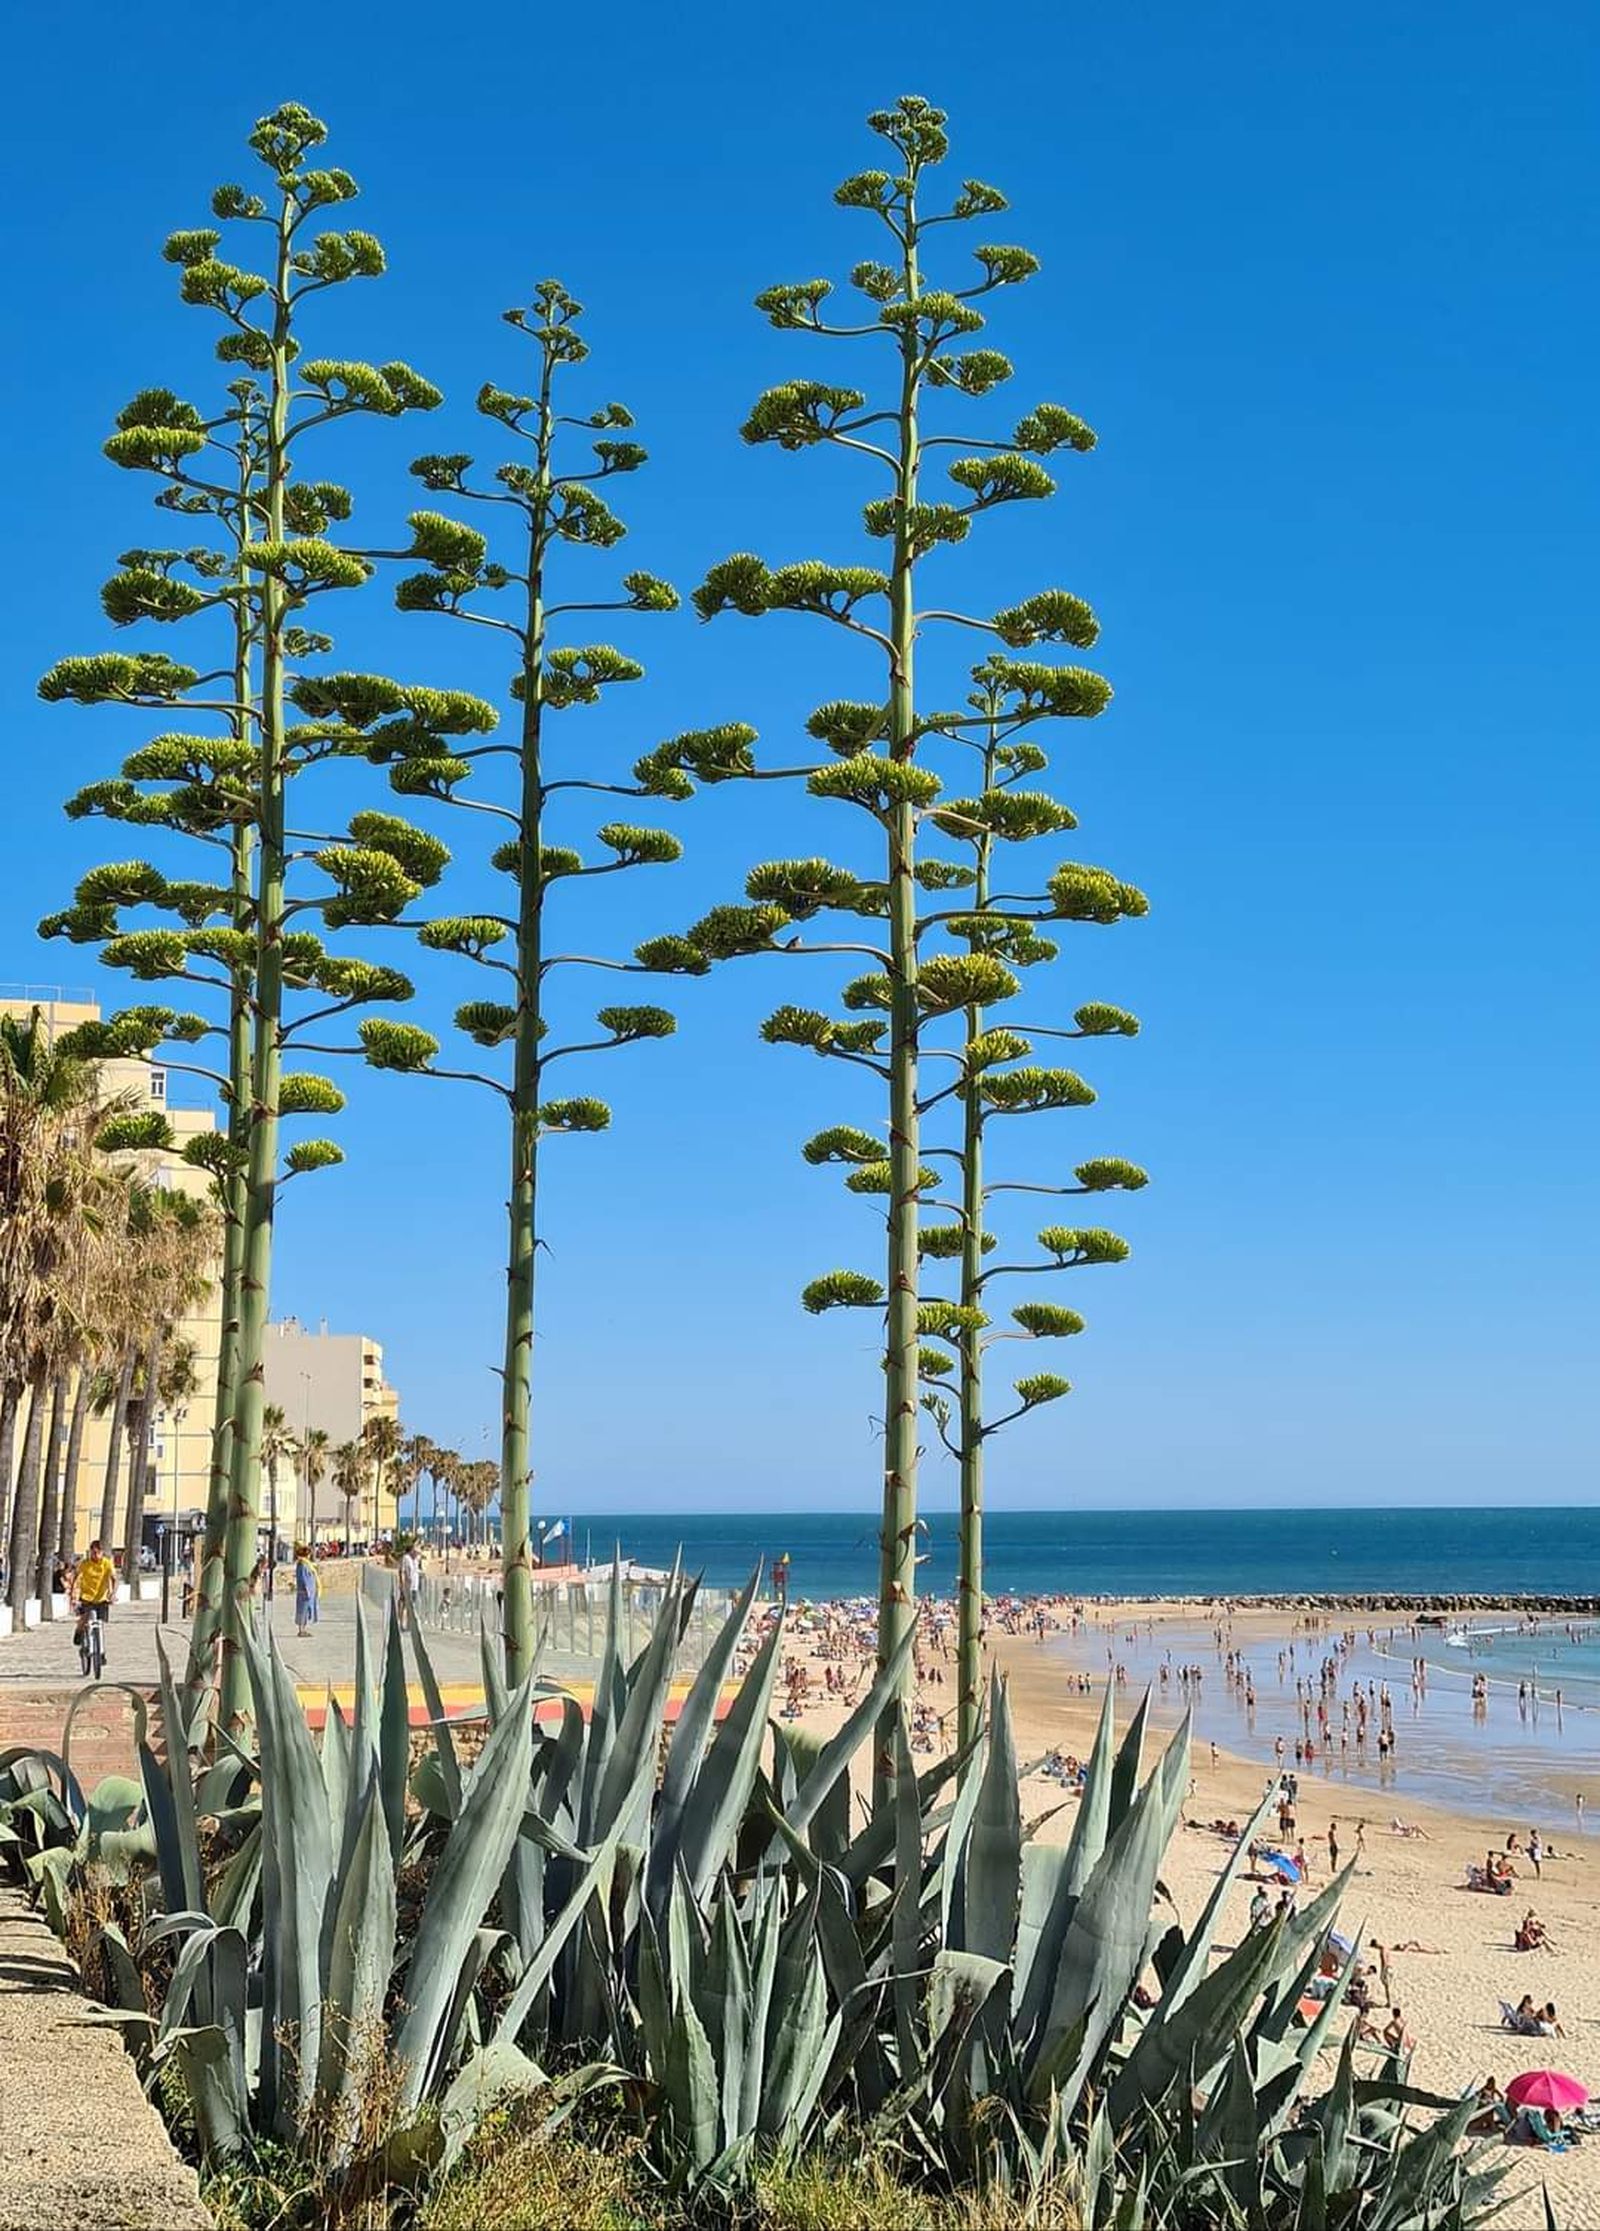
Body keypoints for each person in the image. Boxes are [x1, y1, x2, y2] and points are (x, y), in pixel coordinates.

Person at [72, 1539, 117, 1666]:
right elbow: (76, 1578)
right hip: (86, 1597)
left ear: (102, 1552)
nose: (95, 1555)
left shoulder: (107, 1564)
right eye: (93, 1552)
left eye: (97, 1553)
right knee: (84, 1619)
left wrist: (112, 1594)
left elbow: (114, 1578)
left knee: (100, 1624)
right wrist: (73, 1596)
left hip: (101, 1598)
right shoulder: (85, 1564)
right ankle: (79, 1632)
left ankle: (101, 1653)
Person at [293, 1544, 319, 1640]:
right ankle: (301, 1630)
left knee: (306, 1610)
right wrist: (307, 1589)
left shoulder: (307, 1564)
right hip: (305, 1592)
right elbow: (303, 1578)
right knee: (302, 1610)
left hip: (309, 1591)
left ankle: (303, 1629)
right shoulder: (302, 1564)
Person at [399, 1541, 421, 1629]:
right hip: (407, 1586)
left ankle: (409, 1624)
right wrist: (402, 1584)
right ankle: (401, 1624)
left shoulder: (415, 1559)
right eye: (415, 1551)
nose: (417, 1553)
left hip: (414, 1585)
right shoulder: (406, 1558)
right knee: (404, 1605)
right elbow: (401, 1571)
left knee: (412, 1606)